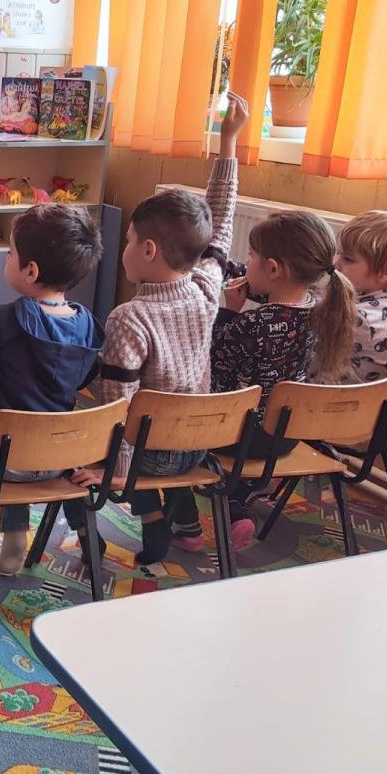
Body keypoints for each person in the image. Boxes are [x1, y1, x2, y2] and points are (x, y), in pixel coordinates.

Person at [71, 93, 249, 565]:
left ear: (148, 250)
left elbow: (118, 406)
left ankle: (150, 518)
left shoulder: (129, 318)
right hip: (198, 443)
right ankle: (186, 527)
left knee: (74, 428)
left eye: (129, 239)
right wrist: (228, 143)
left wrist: (117, 476)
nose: (125, 246)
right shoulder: (207, 287)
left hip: (151, 454)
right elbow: (221, 225)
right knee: (160, 422)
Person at [0, 204, 105, 576]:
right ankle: (86, 537)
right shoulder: (88, 323)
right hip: (57, 459)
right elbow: (84, 378)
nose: (7, 258)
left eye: (10, 252)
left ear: (31, 271)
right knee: (27, 438)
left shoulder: (5, 318)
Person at [211, 211, 356, 550]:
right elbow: (274, 303)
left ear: (274, 269)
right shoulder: (317, 308)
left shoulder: (252, 324)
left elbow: (215, 361)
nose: (246, 261)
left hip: (240, 439)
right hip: (285, 436)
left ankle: (206, 514)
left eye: (251, 256)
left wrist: (229, 311)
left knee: (186, 419)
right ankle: (240, 498)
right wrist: (232, 269)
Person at [329, 210, 387, 384]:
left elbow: (315, 351)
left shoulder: (361, 318)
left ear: (385, 271)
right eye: (339, 254)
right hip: (369, 399)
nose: (336, 264)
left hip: (337, 398)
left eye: (348, 259)